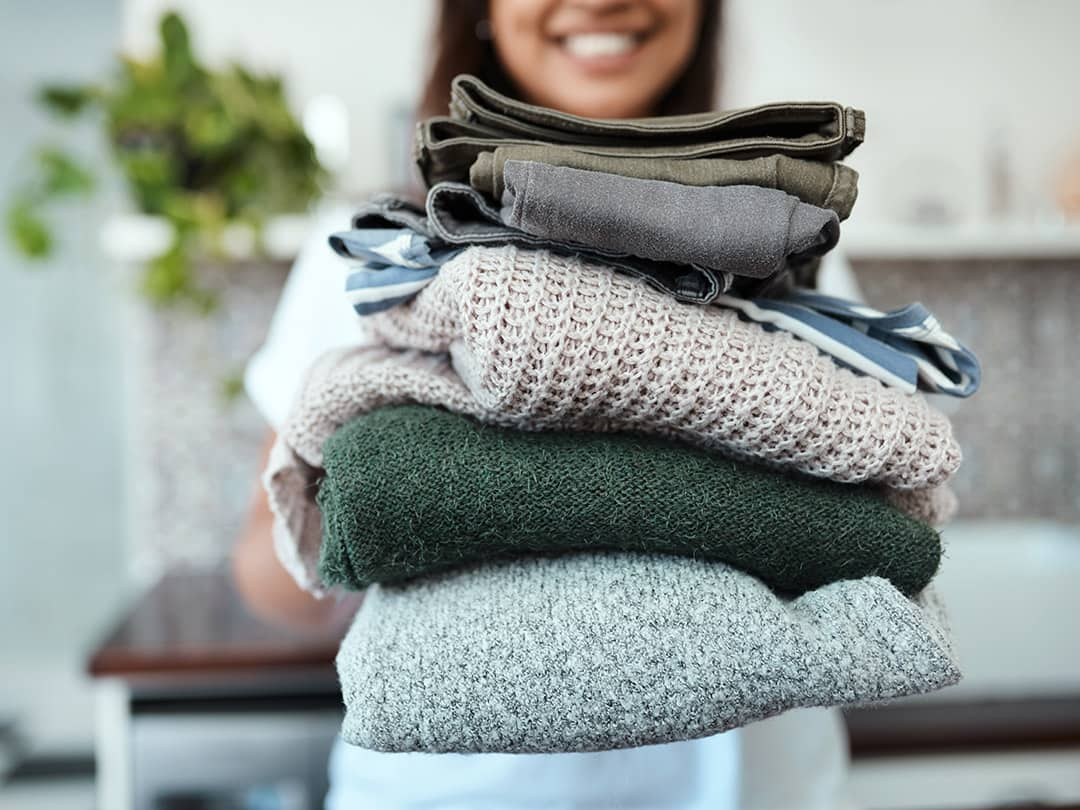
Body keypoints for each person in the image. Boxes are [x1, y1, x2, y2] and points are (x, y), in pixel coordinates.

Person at [233, 2, 853, 807]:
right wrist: (368, 510)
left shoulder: (789, 241)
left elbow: (875, 515)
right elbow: (268, 570)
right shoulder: (384, 255)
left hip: (761, 787)